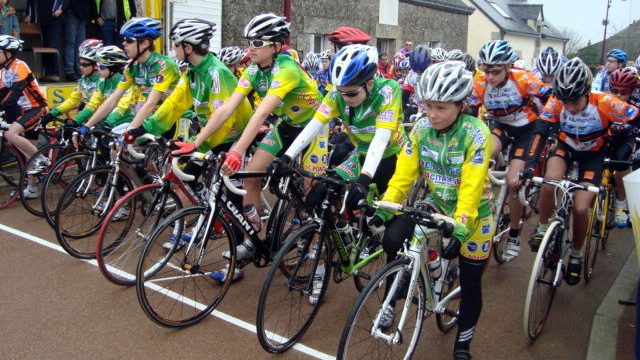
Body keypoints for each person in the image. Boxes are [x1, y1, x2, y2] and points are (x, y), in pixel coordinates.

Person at [175, 13, 323, 281]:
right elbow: (226, 109)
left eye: (256, 42)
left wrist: (236, 150)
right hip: (288, 125)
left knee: (310, 188)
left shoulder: (286, 69)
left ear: (275, 46)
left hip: (314, 128)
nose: (250, 48)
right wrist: (194, 143)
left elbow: (260, 114)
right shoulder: (253, 71)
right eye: (249, 42)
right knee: (252, 176)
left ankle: (316, 249)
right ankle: (253, 240)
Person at [369, 61, 493, 360]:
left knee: (471, 281)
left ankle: (462, 344)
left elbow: (472, 188)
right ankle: (412, 284)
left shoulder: (476, 133)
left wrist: (461, 226)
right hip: (436, 202)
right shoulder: (421, 128)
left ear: (461, 105)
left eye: (441, 107)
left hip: (474, 212)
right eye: (428, 106)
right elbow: (404, 175)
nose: (432, 114)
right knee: (397, 240)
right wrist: (385, 208)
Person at [279, 44, 405, 304]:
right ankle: (326, 259)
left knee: (387, 227)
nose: (344, 97)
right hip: (361, 155)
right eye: (340, 92)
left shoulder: (387, 91)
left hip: (392, 157)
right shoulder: (338, 94)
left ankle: (392, 295)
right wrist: (287, 156)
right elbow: (314, 125)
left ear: (369, 81)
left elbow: (381, 140)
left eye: (351, 93)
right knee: (320, 197)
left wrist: (364, 179)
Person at [527, 58, 639, 285]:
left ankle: (577, 253)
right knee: (549, 181)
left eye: (574, 100)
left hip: (594, 155)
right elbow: (540, 129)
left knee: (580, 208)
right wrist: (530, 163)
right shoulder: (558, 101)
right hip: (566, 147)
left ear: (587, 92)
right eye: (564, 100)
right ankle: (541, 227)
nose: (568, 107)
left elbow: (635, 117)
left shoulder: (606, 102)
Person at [467, 40, 551, 263]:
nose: (490, 77)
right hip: (500, 126)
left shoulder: (523, 79)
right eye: (486, 71)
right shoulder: (480, 82)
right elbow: (469, 109)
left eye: (495, 72)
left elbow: (551, 100)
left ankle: (514, 234)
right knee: (480, 155)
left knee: (514, 182)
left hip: (527, 129)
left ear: (508, 67)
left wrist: (550, 125)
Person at [83, 17, 180, 140]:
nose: (124, 44)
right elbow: (114, 99)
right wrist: (87, 126)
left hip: (176, 119)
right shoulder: (131, 67)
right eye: (124, 40)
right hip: (152, 118)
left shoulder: (165, 65)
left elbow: (151, 102)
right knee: (118, 147)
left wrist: (130, 130)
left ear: (145, 43)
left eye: (129, 40)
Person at [0, 36, 49, 181]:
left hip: (38, 108)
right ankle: (32, 187)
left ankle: (42, 159)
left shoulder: (20, 66)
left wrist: (1, 106)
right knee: (29, 153)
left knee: (10, 134)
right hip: (26, 110)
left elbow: (16, 91)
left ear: (8, 52)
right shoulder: (4, 70)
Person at [607, 67, 640, 227]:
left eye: (624, 92)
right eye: (615, 91)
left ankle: (621, 204)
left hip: (626, 139)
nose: (618, 95)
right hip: (608, 137)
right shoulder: (605, 100)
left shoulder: (637, 104)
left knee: (620, 163)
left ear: (632, 91)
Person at [74, 45, 136, 128]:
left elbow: (121, 108)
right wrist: (76, 121)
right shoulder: (102, 82)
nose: (98, 69)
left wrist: (107, 124)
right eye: (97, 65)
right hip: (107, 123)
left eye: (101, 67)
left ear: (112, 68)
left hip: (125, 123)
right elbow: (92, 105)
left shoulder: (125, 82)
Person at [43, 39, 102, 123]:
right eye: (80, 64)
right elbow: (72, 100)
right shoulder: (84, 78)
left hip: (101, 119)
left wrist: (77, 121)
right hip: (88, 118)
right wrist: (53, 113)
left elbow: (96, 106)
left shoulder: (103, 80)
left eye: (84, 65)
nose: (80, 67)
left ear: (96, 64)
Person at [25, 0, 64, 81]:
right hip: (42, 19)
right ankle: (48, 73)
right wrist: (29, 14)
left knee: (53, 45)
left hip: (55, 18)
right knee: (45, 45)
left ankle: (54, 73)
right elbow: (30, 2)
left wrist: (61, 8)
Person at [61, 0, 97, 81]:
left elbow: (92, 2)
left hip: (83, 15)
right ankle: (69, 71)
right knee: (71, 43)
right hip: (72, 14)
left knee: (80, 45)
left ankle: (80, 70)